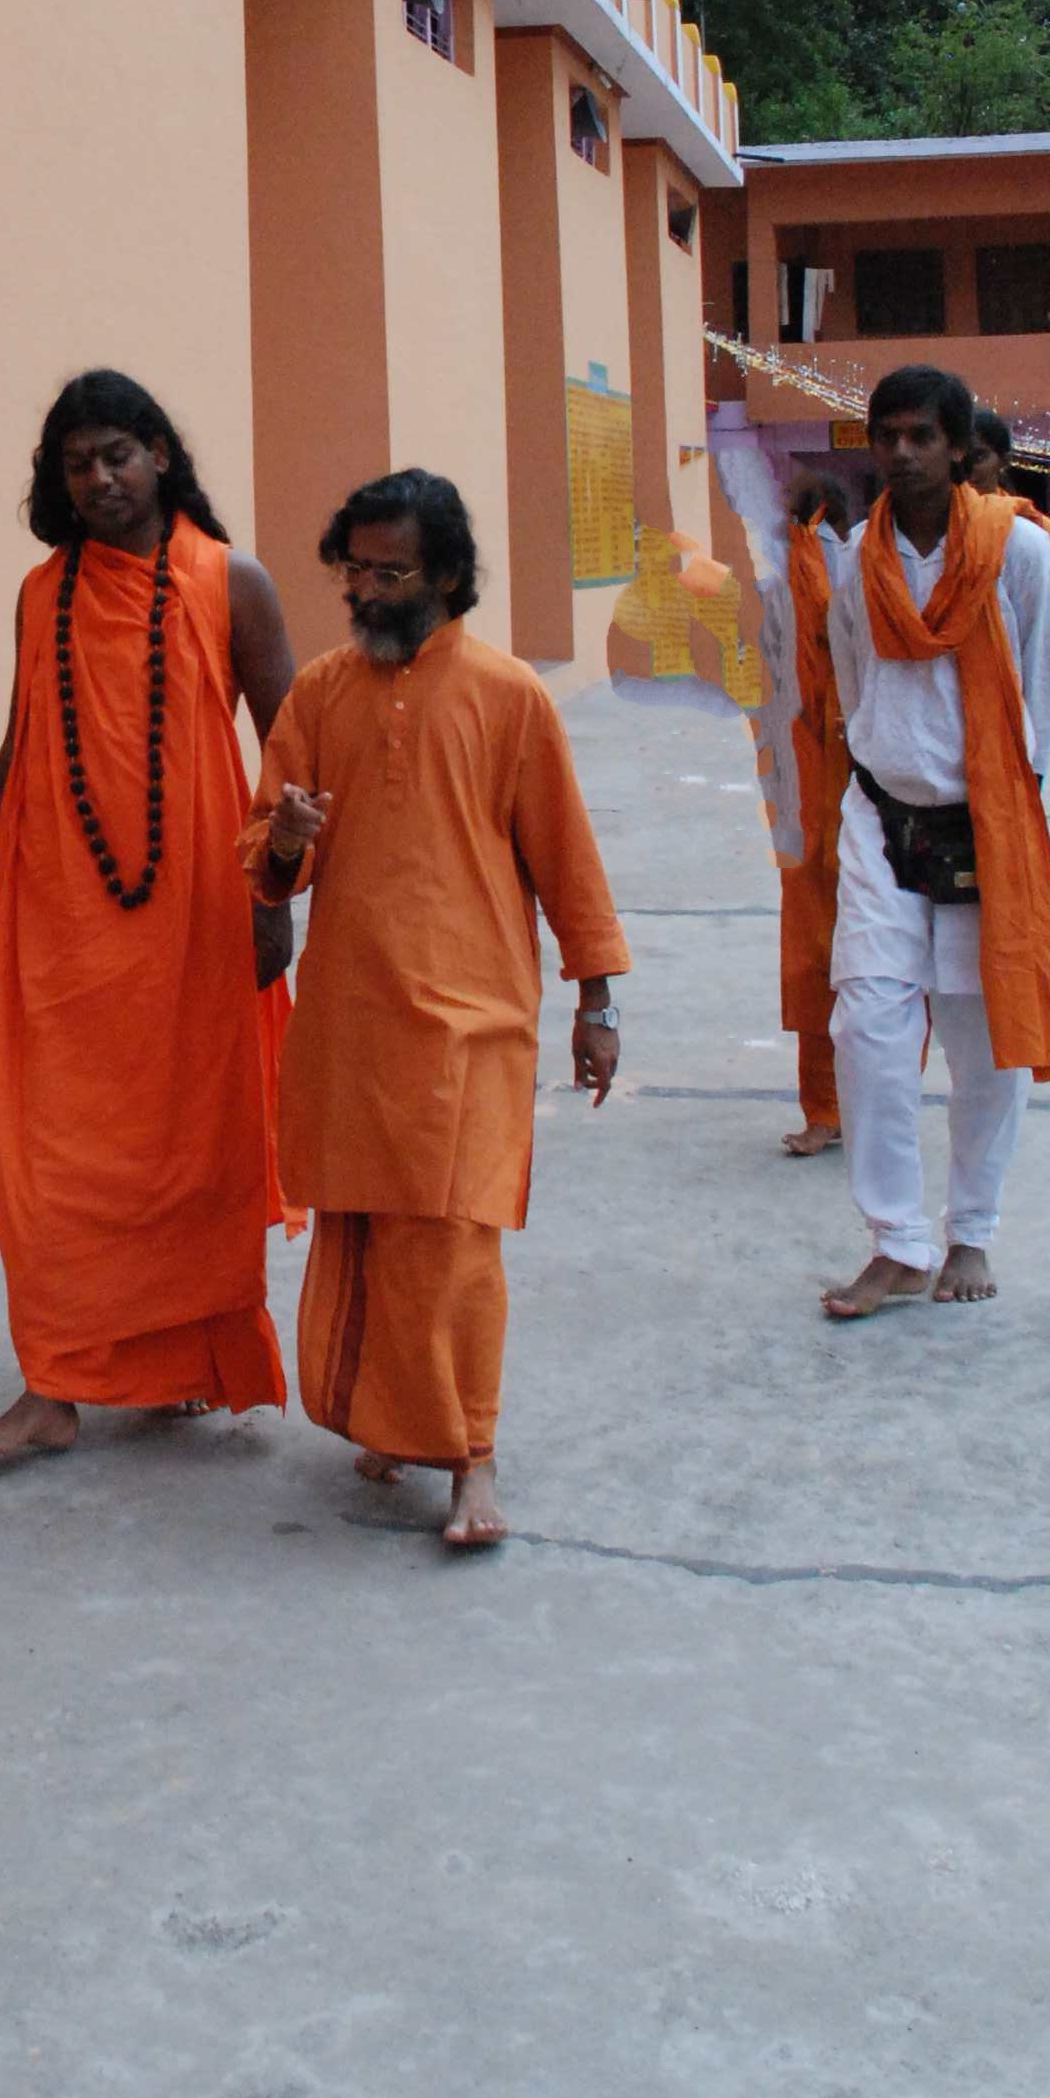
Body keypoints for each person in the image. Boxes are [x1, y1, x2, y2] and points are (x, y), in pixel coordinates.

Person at [246, 470, 628, 1551]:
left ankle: (472, 1455)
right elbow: (268, 854)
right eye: (356, 570)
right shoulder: (318, 693)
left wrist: (596, 1000)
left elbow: (566, 856)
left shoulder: (510, 696)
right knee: (369, 1229)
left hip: (476, 1017)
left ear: (448, 576)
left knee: (455, 1239)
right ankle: (391, 1419)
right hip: (353, 1014)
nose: (367, 591)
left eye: (392, 572)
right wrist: (286, 836)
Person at [0, 372, 298, 1461]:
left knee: (188, 1152)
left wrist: (277, 896)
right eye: (77, 464)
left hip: (198, 915)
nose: (99, 479)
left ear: (160, 455)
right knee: (51, 1156)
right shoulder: (41, 594)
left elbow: (294, 753)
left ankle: (181, 1355)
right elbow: (19, 744)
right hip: (61, 917)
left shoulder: (229, 580)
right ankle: (53, 1384)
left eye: (116, 455)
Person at [820, 365, 1050, 1319]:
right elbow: (853, 684)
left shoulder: (1019, 551)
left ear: (958, 446)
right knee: (868, 1028)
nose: (902, 454)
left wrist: (998, 809)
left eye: (922, 437)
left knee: (983, 1044)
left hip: (990, 825)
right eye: (886, 436)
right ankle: (897, 1241)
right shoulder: (855, 560)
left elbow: (1047, 685)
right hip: (880, 816)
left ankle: (970, 1228)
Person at [777, 478, 852, 1157]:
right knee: (821, 954)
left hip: (849, 783)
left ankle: (841, 1107)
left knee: (845, 955)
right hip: (813, 783)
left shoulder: (830, 566)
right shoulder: (800, 566)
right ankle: (836, 1106)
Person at [964, 408, 1050, 754]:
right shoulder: (931, 531)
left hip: (1019, 694)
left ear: (1003, 461)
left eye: (979, 457)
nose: (968, 469)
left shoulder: (1037, 534)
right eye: (958, 458)